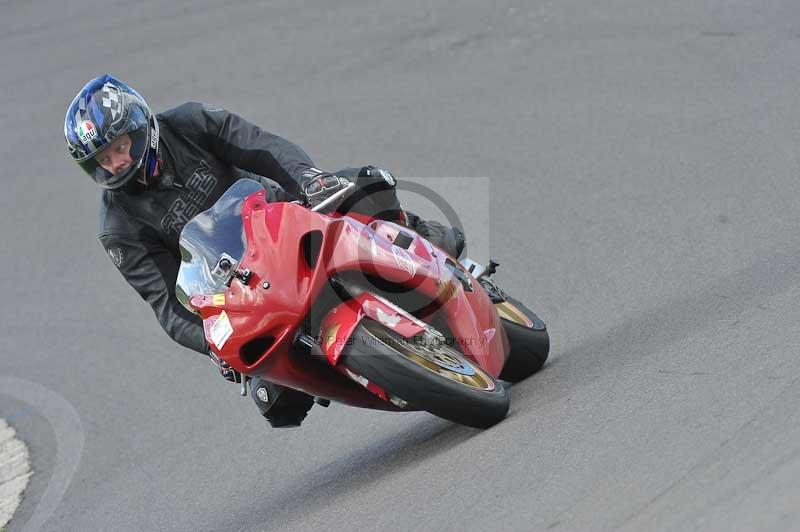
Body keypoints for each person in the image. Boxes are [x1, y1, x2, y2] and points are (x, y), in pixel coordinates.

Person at [64, 74, 465, 428]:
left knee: (365, 185)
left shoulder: (188, 122)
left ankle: (418, 237)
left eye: (119, 147)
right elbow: (168, 305)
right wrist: (212, 345)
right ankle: (376, 373)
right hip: (240, 290)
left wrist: (309, 179)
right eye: (104, 159)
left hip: (282, 217)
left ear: (138, 127)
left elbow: (260, 147)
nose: (117, 163)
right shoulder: (119, 227)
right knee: (276, 400)